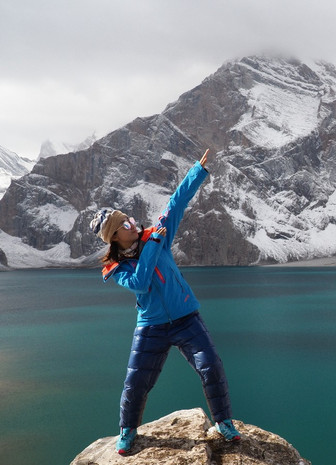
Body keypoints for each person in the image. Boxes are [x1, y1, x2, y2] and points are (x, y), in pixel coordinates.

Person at [90, 149, 241, 455]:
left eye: (130, 219)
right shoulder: (117, 267)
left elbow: (176, 203)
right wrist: (153, 245)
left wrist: (197, 171)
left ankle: (223, 422)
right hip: (152, 326)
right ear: (114, 237)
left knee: (211, 366)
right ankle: (127, 430)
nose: (132, 224)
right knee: (136, 382)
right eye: (125, 224)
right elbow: (141, 283)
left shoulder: (157, 234)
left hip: (186, 317)